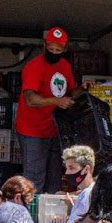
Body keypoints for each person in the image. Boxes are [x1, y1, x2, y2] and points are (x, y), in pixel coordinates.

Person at [16, 26, 78, 193]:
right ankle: (29, 216)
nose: (54, 52)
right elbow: (30, 99)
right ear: (44, 46)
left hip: (54, 130)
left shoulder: (65, 66)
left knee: (54, 179)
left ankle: (48, 217)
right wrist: (56, 101)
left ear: (65, 49)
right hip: (32, 131)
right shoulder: (34, 67)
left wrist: (85, 88)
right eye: (51, 48)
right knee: (34, 179)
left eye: (58, 49)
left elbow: (71, 91)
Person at [62, 145, 96, 223]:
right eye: (66, 168)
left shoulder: (87, 194)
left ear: (86, 169)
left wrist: (70, 207)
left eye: (71, 168)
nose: (67, 173)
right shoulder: (88, 192)